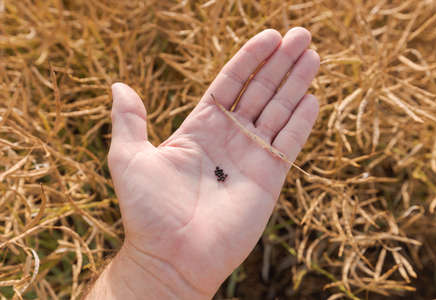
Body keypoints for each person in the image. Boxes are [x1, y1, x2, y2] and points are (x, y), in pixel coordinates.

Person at [85, 27, 320, 299]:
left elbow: (219, 173)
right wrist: (155, 268)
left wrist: (153, 272)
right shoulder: (221, 173)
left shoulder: (221, 173)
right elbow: (219, 173)